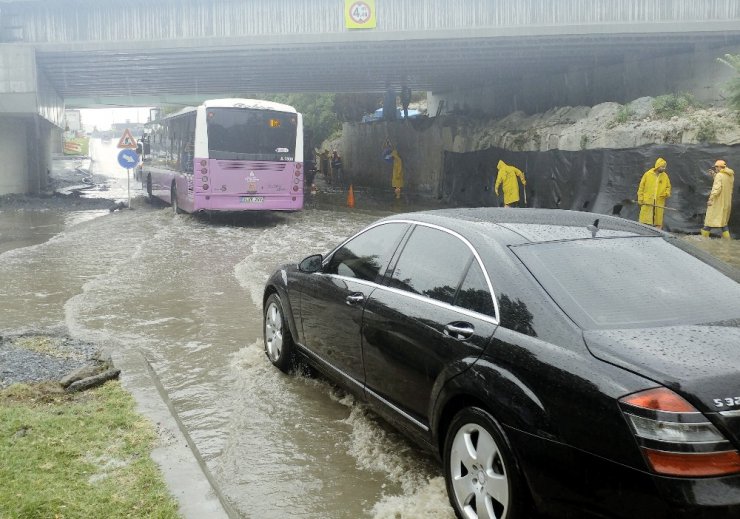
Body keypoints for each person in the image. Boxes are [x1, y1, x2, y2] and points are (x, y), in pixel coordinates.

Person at [701, 159, 735, 239]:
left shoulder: (720, 175)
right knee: (723, 224)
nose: (715, 169)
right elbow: (723, 182)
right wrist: (714, 175)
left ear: (719, 167)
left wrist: (711, 199)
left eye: (716, 167)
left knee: (708, 222)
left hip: (718, 202)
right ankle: (728, 241)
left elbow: (717, 188)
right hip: (726, 203)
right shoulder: (730, 175)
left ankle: (703, 240)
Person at [637, 157, 671, 230]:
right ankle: (643, 231)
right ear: (657, 166)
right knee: (645, 218)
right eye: (662, 167)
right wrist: (640, 198)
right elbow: (641, 187)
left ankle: (656, 233)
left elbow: (668, 187)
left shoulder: (665, 176)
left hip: (659, 201)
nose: (664, 168)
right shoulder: (648, 174)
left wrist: (666, 193)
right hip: (647, 200)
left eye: (665, 167)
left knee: (658, 220)